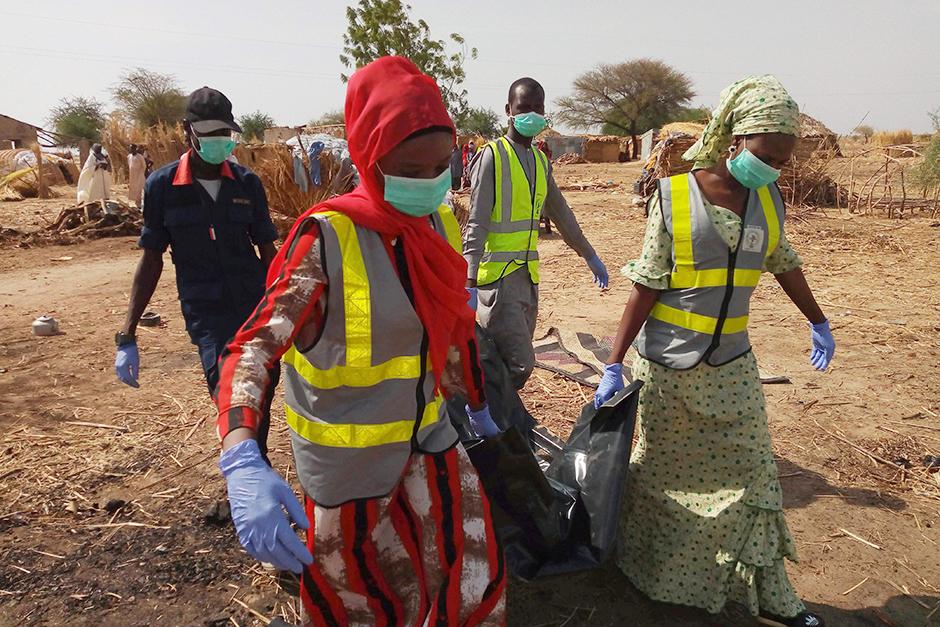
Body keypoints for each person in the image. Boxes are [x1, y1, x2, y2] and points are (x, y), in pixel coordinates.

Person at [213, 57, 506, 627]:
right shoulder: (324, 238)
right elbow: (253, 347)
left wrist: (478, 401)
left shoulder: (437, 229)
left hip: (429, 438)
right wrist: (241, 455)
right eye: (411, 169)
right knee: (360, 602)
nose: (429, 184)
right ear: (370, 159)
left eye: (441, 167)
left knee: (473, 574)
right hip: (347, 469)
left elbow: (453, 326)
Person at [594, 75, 834, 627]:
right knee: (659, 480)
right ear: (734, 140)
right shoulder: (675, 196)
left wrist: (819, 321)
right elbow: (647, 283)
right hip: (667, 369)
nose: (773, 167)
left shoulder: (768, 199)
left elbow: (784, 262)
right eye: (766, 154)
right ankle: (649, 576)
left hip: (732, 366)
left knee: (754, 474)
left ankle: (774, 594)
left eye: (783, 159)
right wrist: (613, 361)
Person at [114, 87, 281, 461]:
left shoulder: (247, 184)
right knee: (227, 386)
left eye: (224, 134)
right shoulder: (163, 187)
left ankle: (256, 459)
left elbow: (269, 251)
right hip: (206, 310)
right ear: (187, 130)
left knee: (263, 385)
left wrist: (287, 306)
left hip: (253, 302)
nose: (218, 142)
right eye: (209, 133)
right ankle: (246, 467)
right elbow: (152, 258)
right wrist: (128, 331)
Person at [464, 77, 609, 389]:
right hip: (498, 281)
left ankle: (499, 419)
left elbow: (562, 215)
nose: (532, 114)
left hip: (528, 278)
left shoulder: (541, 162)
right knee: (521, 363)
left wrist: (589, 254)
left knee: (507, 363)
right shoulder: (493, 156)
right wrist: (469, 280)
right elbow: (475, 223)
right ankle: (485, 414)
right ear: (509, 110)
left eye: (538, 108)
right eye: (524, 108)